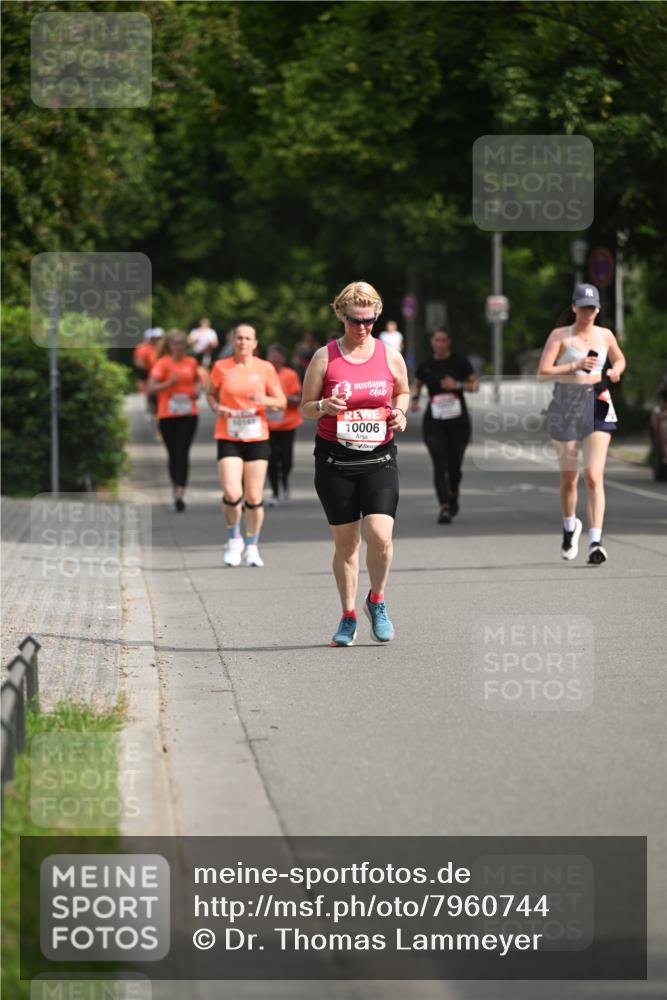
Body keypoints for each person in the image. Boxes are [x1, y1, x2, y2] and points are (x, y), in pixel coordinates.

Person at [301, 280, 409, 647]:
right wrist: (322, 407)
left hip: (380, 458)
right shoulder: (324, 357)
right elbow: (304, 407)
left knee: (380, 535)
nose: (362, 328)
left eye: (369, 321)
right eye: (354, 321)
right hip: (335, 460)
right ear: (340, 316)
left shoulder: (389, 355)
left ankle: (376, 600)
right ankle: (348, 615)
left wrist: (400, 412)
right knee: (347, 545)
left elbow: (404, 391)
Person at [538, 283, 626, 565]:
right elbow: (543, 372)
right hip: (565, 402)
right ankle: (569, 526)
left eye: (593, 308)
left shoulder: (605, 335)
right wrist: (574, 366)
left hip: (598, 400)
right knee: (569, 477)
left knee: (593, 476)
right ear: (574, 307)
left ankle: (596, 541)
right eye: (583, 307)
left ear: (598, 309)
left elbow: (620, 358)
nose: (588, 312)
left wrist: (615, 370)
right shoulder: (560, 336)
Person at [207, 324, 286, 567]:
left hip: (256, 436)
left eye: (247, 338)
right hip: (228, 435)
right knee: (232, 493)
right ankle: (234, 539)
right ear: (233, 341)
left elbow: (281, 402)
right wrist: (217, 407)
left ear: (255, 343)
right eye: (238, 338)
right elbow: (210, 394)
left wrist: (265, 400)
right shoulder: (221, 367)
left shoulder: (265, 368)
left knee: (253, 496)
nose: (242, 342)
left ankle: (252, 545)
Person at [410, 328, 477, 524]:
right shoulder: (427, 365)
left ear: (449, 342)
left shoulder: (460, 362)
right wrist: (414, 399)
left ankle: (453, 492)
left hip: (458, 422)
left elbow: (474, 385)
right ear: (432, 342)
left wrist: (457, 384)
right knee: (440, 463)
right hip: (434, 422)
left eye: (443, 340)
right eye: (436, 340)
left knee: (454, 466)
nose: (440, 344)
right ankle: (444, 506)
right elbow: (417, 383)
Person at [147, 329, 203, 512]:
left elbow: (198, 381)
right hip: (167, 415)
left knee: (182, 452)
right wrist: (168, 384)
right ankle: (175, 485)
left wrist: (197, 390)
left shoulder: (191, 362)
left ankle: (180, 492)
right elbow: (151, 387)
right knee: (173, 453)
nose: (178, 347)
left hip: (188, 414)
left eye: (181, 343)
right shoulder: (162, 364)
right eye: (175, 343)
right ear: (169, 345)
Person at [266, 344, 303, 504]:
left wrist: (283, 399)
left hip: (287, 424)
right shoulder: (262, 374)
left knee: (286, 460)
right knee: (271, 458)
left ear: (282, 358)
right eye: (271, 356)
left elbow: (297, 399)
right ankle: (275, 491)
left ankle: (285, 480)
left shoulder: (290, 375)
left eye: (277, 356)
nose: (274, 359)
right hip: (266, 425)